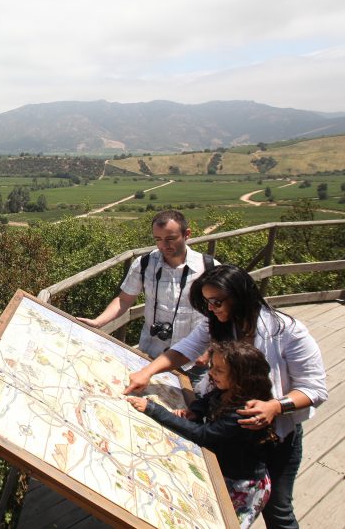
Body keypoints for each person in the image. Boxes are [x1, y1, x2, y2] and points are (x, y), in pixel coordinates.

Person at [124, 264, 328, 529]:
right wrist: (147, 372)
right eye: (207, 302)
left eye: (216, 302)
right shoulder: (218, 323)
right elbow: (185, 349)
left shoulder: (288, 331)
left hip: (276, 437)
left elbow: (315, 389)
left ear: (240, 296)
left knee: (278, 510)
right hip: (231, 435)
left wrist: (275, 407)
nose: (211, 309)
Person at [127, 340, 275, 528]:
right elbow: (207, 400)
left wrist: (154, 409)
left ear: (241, 377)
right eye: (212, 366)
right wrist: (195, 412)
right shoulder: (228, 390)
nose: (211, 373)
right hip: (221, 470)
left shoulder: (243, 412)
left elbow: (203, 435)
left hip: (240, 485)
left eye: (219, 370)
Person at [78, 210, 215, 361]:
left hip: (193, 358)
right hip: (150, 353)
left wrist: (210, 350)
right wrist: (98, 322)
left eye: (170, 238)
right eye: (158, 239)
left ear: (187, 234)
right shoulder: (144, 264)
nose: (164, 245)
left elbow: (224, 315)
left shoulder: (209, 268)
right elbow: (124, 300)